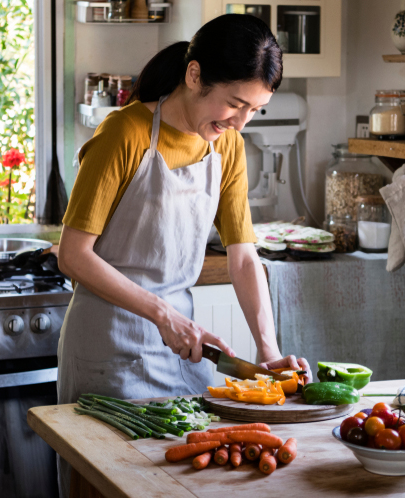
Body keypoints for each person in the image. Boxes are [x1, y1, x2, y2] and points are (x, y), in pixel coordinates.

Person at [55, 14, 311, 495]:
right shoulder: (123, 133)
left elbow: (243, 257)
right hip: (109, 348)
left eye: (254, 110)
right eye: (235, 104)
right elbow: (73, 255)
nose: (240, 122)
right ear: (194, 75)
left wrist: (268, 350)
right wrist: (161, 314)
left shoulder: (228, 146)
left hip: (183, 347)